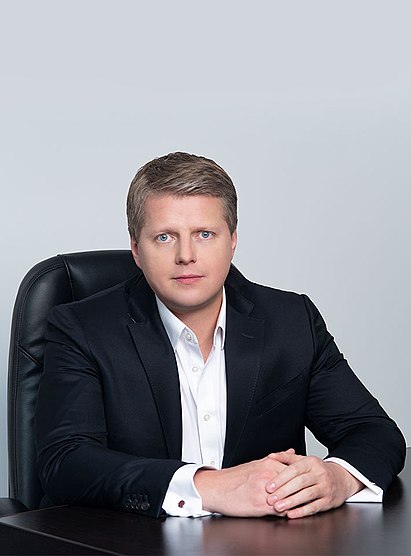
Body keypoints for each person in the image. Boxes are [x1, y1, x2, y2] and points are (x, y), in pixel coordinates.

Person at [35, 152, 406, 519]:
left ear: (232, 240)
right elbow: (65, 461)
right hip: (127, 540)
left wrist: (337, 478)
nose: (186, 255)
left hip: (265, 542)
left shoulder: (292, 320)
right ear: (136, 248)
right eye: (164, 237)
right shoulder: (82, 328)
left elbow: (374, 432)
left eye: (204, 234)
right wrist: (209, 487)